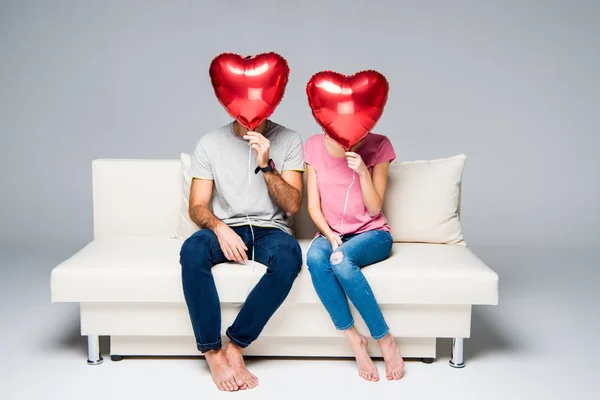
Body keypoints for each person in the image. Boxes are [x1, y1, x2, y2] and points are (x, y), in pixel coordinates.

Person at [180, 118, 304, 391]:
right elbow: (197, 206)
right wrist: (219, 227)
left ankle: (235, 346)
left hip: (271, 230)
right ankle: (212, 352)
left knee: (289, 257)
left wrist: (266, 164)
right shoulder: (210, 142)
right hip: (226, 227)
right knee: (192, 249)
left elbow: (293, 204)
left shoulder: (290, 138)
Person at [304, 132, 404, 382]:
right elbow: (313, 207)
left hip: (372, 235)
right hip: (332, 234)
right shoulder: (314, 145)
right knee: (316, 259)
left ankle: (385, 340)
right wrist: (328, 235)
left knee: (339, 260)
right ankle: (355, 340)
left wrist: (362, 171)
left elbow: (374, 208)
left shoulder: (380, 144)